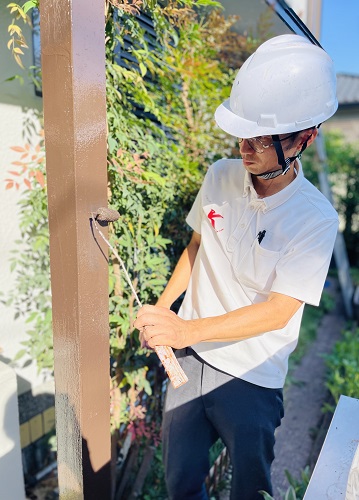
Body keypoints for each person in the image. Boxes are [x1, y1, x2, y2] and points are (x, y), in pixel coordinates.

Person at [134, 34, 339, 499]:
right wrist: (164, 313)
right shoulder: (221, 176)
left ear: (305, 138)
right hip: (191, 357)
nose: (247, 148)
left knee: (249, 489)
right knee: (180, 482)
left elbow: (278, 312)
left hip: (253, 374)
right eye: (242, 134)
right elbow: (195, 247)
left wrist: (185, 331)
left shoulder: (316, 219)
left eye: (263, 138)